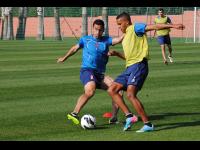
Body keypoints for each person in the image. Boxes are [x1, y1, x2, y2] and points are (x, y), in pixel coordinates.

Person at [108, 12, 185, 132]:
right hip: (129, 67)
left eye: (120, 24)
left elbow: (153, 27)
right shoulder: (126, 36)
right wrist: (117, 53)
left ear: (127, 22)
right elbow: (129, 58)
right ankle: (129, 116)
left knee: (130, 94)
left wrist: (173, 26)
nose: (119, 27)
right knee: (112, 89)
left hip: (139, 65)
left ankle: (148, 124)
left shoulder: (134, 28)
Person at [57, 19, 126, 125]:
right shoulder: (85, 39)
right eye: (96, 29)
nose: (97, 32)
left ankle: (114, 118)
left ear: (103, 30)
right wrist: (64, 57)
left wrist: (129, 30)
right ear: (92, 28)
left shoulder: (106, 40)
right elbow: (75, 48)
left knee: (118, 90)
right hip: (87, 70)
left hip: (100, 74)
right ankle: (74, 113)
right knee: (90, 91)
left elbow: (119, 40)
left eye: (100, 30)